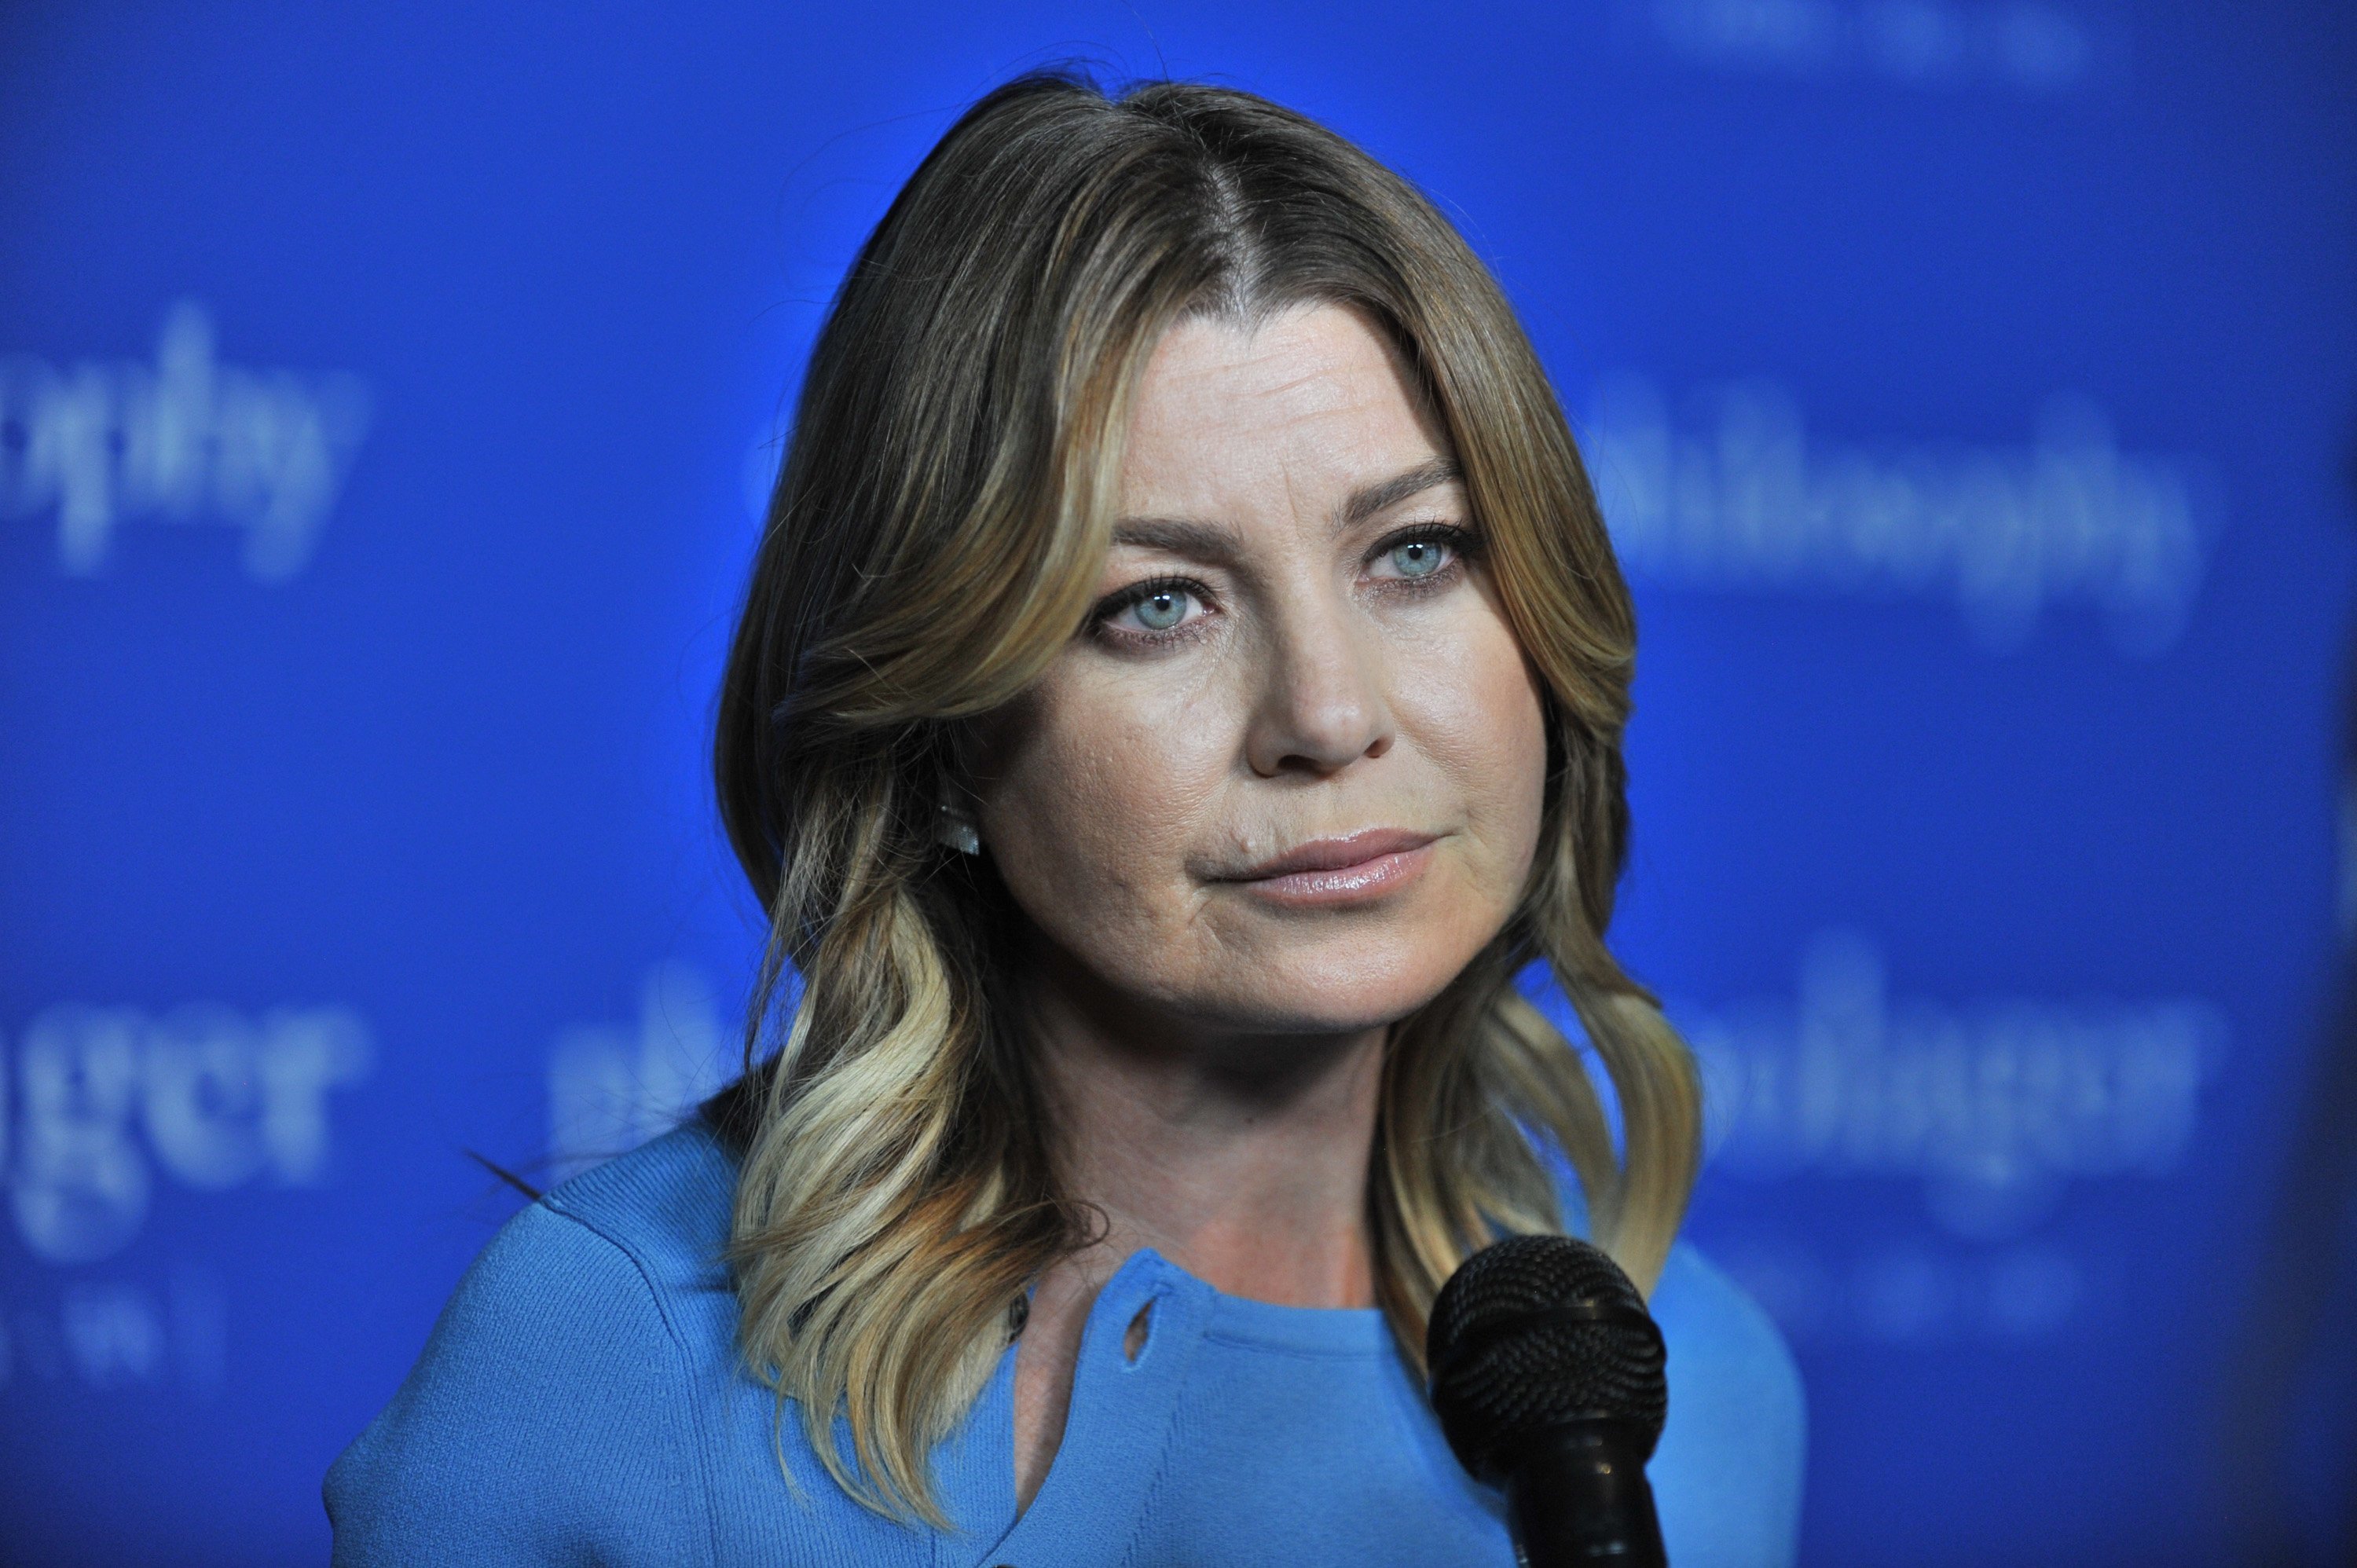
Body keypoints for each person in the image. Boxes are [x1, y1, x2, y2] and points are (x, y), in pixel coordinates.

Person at [326, 69, 1805, 1566]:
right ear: (942, 741)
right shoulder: (618, 1363)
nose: (1329, 714)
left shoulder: (1695, 1400)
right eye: (1157, 603)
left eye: (1416, 553)